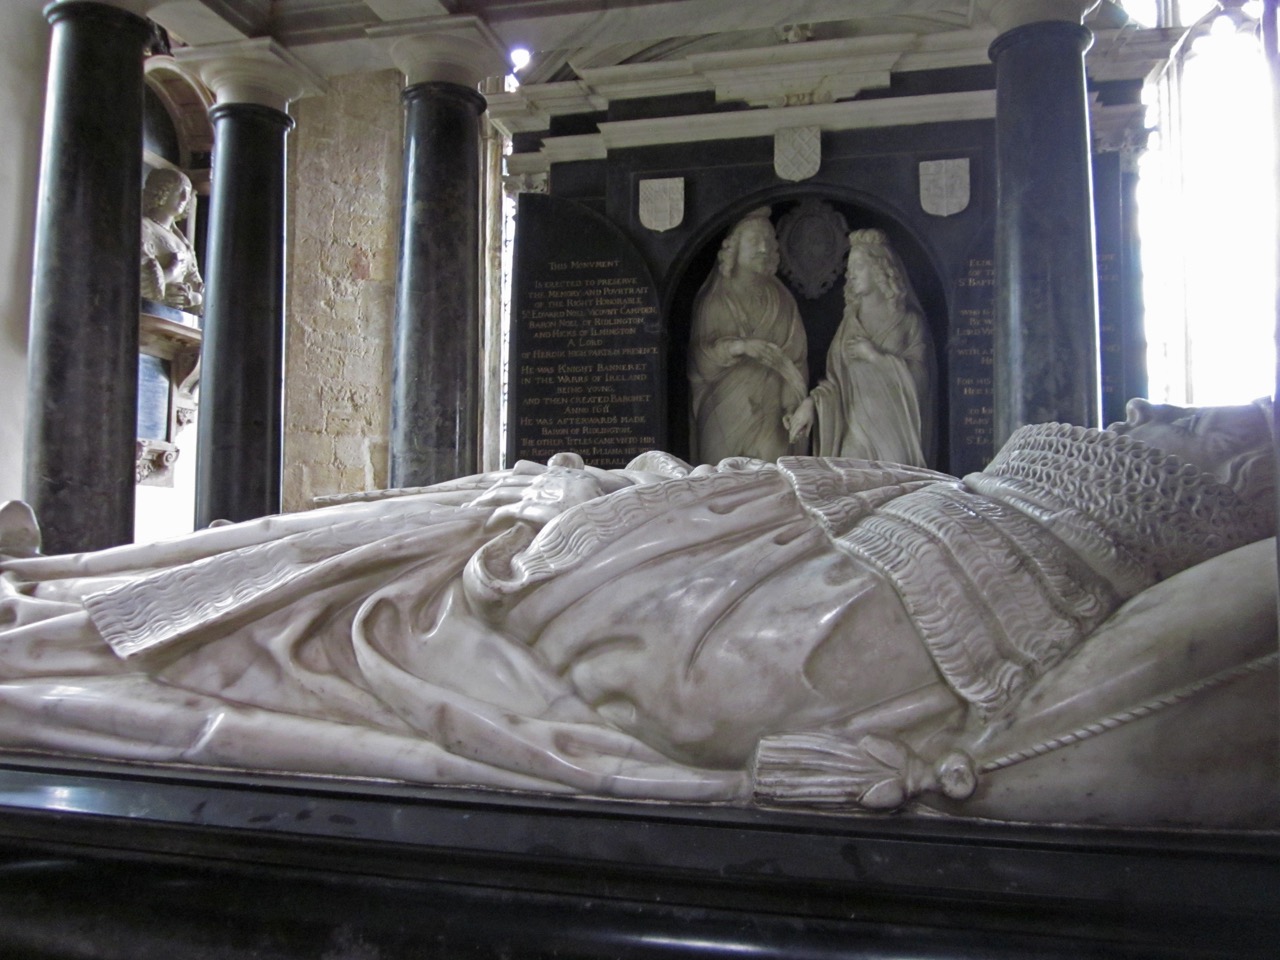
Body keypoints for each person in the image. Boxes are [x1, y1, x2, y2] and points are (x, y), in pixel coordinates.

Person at [0, 401, 1272, 818]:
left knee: (346, 592)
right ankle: (54, 592)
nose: (1152, 410)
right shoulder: (1007, 519)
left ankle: (46, 615)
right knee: (389, 537)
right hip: (559, 564)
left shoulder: (999, 572)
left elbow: (672, 661)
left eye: (1189, 425)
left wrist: (585, 521)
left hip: (525, 601)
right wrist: (628, 500)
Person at [786, 229, 931, 465]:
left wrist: (875, 357)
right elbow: (836, 384)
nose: (851, 275)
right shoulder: (849, 324)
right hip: (855, 429)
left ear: (880, 269)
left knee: (898, 494)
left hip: (894, 431)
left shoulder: (907, 321)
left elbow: (922, 381)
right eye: (849, 268)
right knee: (850, 491)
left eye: (859, 267)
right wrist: (811, 404)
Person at [688, 207, 809, 463]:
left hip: (771, 412)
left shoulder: (782, 301)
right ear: (734, 247)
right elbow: (700, 360)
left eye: (769, 241)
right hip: (726, 410)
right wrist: (740, 347)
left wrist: (790, 407)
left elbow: (794, 360)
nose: (764, 248)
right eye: (755, 241)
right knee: (721, 484)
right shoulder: (716, 299)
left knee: (771, 484)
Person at [140, 168, 204, 314]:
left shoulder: (182, 242)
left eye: (187, 195)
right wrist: (172, 270)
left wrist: (192, 299)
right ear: (163, 190)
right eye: (179, 191)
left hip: (176, 319)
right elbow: (141, 282)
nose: (184, 198)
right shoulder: (143, 228)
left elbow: (197, 286)